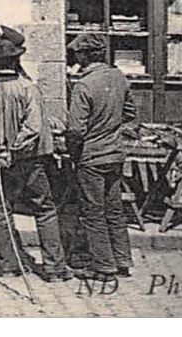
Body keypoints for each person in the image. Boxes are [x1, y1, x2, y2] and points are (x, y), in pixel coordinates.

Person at [0, 35, 69, 281]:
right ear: (16, 60)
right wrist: (14, 150)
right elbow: (33, 127)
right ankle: (54, 269)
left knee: (2, 210)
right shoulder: (28, 88)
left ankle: (9, 266)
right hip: (28, 160)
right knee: (44, 209)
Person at [66, 32, 135, 279]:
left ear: (85, 56)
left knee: (93, 212)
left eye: (77, 53)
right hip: (115, 154)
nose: (75, 56)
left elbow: (75, 129)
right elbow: (130, 113)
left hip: (92, 157)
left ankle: (103, 266)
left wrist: (73, 150)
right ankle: (122, 260)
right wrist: (109, 124)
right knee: (114, 209)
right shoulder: (118, 76)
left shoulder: (83, 85)